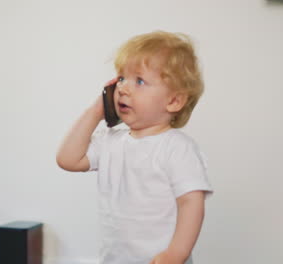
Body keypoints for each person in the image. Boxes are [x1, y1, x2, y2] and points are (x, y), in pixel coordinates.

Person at [57, 31, 213, 264]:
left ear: (173, 101)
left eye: (139, 81)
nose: (123, 88)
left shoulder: (177, 148)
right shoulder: (110, 141)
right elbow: (68, 159)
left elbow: (191, 203)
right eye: (121, 79)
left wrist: (176, 254)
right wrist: (95, 112)